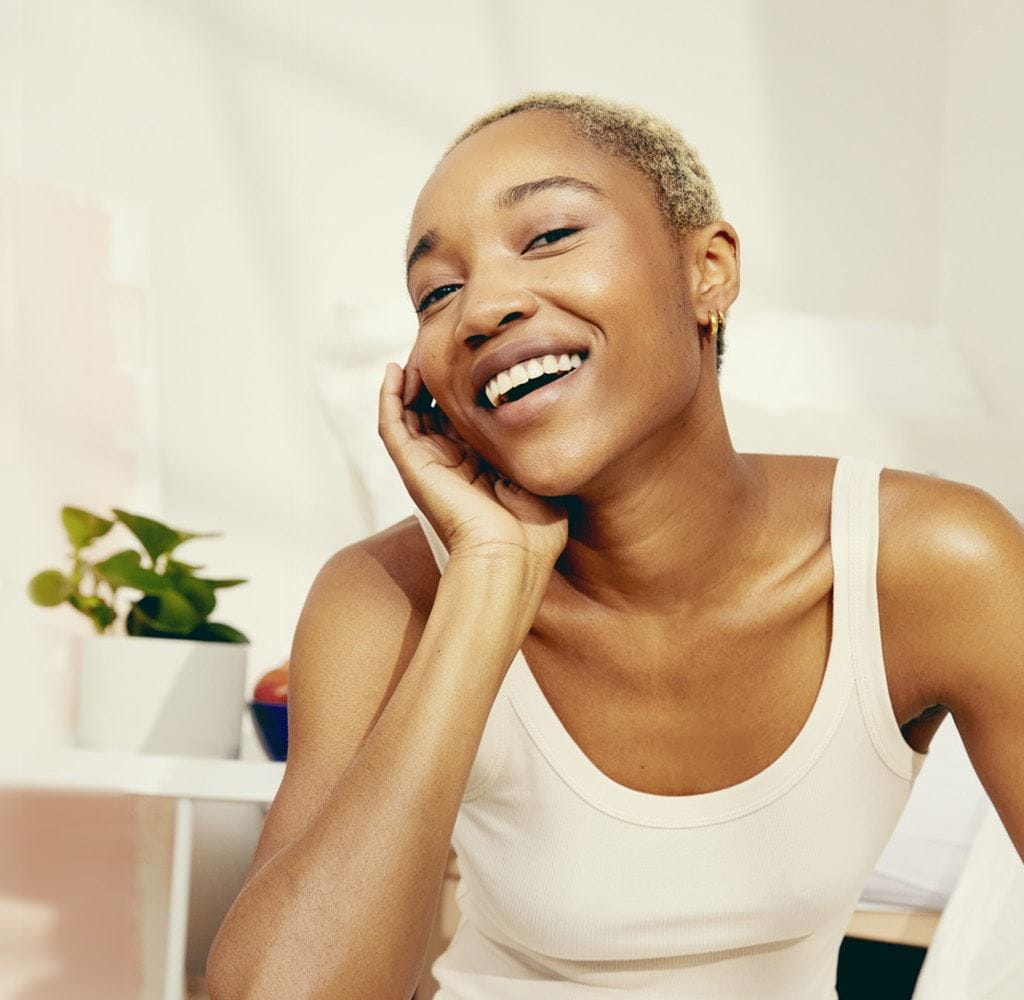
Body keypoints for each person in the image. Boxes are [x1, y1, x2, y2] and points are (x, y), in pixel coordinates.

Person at [201, 92, 1024, 999]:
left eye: (550, 236)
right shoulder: (384, 596)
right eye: (437, 292)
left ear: (708, 269)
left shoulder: (929, 560)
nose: (483, 307)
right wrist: (486, 588)